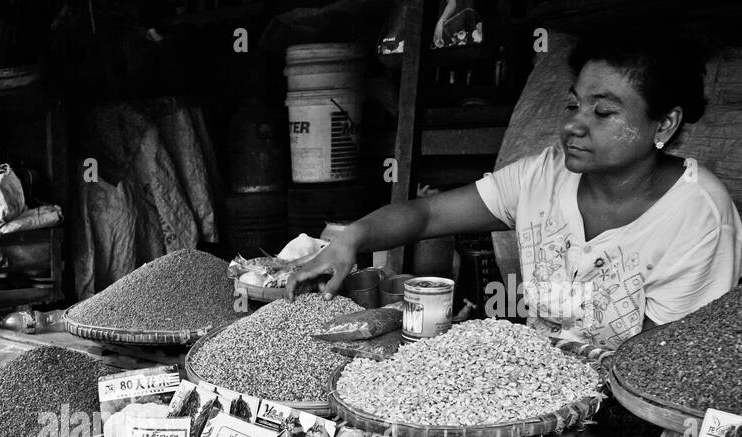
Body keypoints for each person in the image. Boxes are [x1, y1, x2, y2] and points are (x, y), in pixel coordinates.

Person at [292, 27, 742, 363]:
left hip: (628, 419)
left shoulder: (698, 214)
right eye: (573, 105)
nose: (572, 125)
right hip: (531, 389)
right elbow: (427, 215)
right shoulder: (541, 177)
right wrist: (353, 238)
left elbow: (662, 360)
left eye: (602, 111)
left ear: (663, 124)